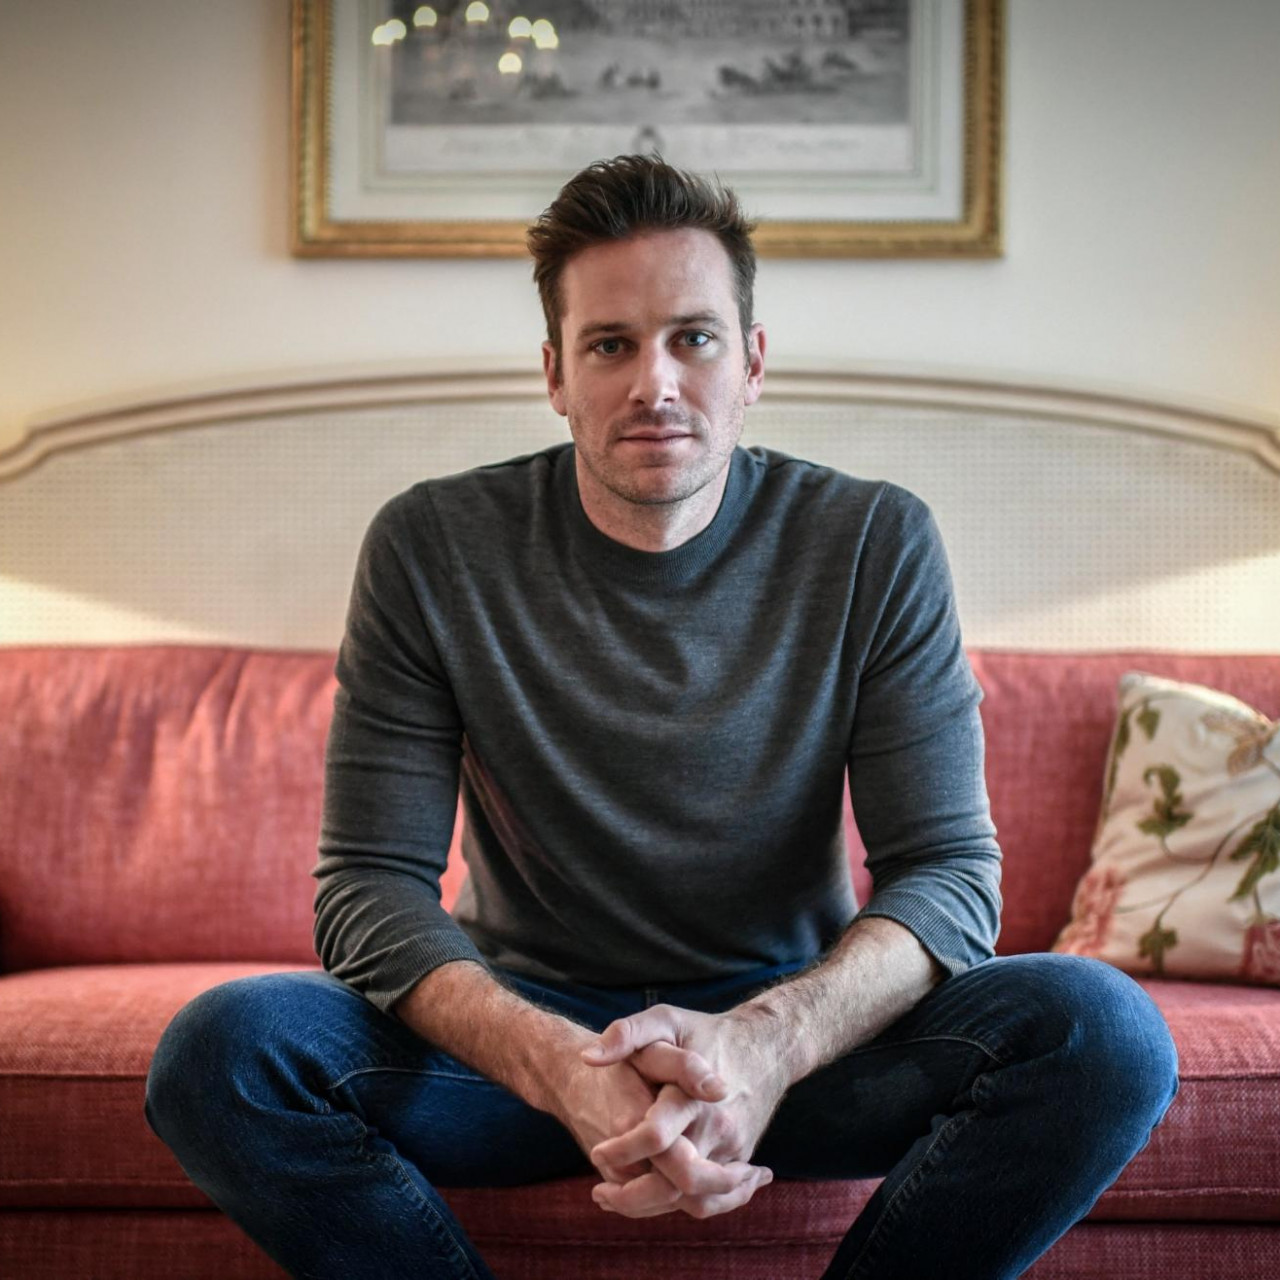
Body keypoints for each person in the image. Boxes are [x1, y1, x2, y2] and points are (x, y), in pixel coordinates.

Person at [145, 154, 1180, 1280]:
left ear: (752, 361)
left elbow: (947, 873)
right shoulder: (431, 546)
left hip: (803, 1047)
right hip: (517, 1050)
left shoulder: (873, 542)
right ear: (554, 372)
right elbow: (367, 886)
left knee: (1102, 1033)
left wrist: (763, 1046)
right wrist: (559, 1066)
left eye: (693, 337)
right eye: (610, 344)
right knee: (222, 1052)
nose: (655, 383)